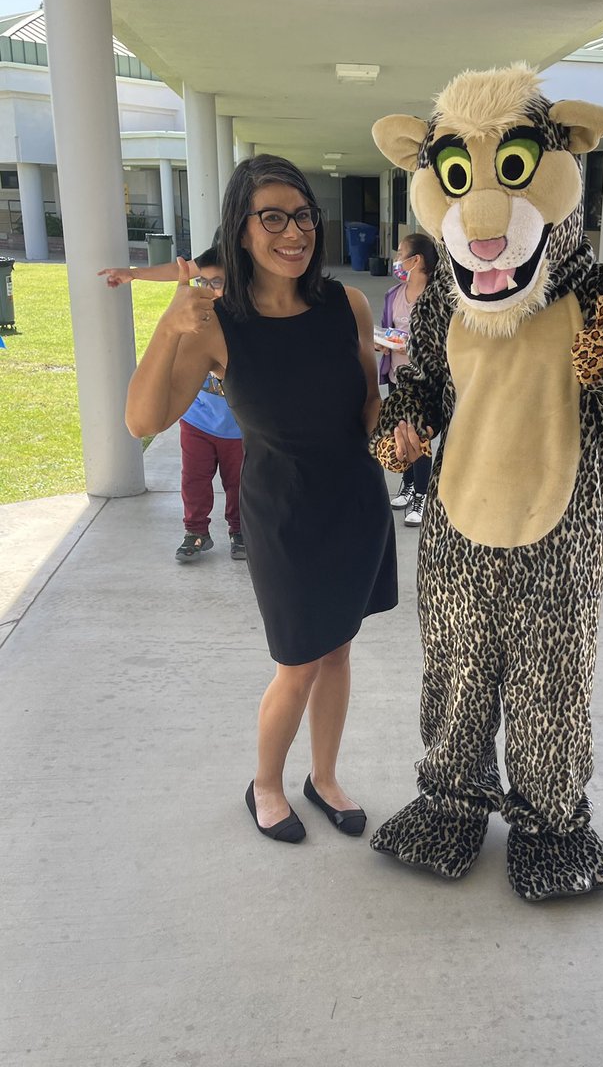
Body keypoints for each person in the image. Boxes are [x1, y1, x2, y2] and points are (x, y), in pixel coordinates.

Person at [125, 154, 397, 842]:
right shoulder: (218, 321)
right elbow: (143, 421)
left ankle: (324, 777)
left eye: (303, 215)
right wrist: (168, 325)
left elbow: (367, 406)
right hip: (282, 511)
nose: (293, 231)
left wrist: (407, 425)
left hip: (354, 503)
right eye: (272, 217)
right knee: (298, 659)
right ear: (241, 229)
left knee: (338, 650)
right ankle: (267, 785)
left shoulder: (348, 306)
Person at [101, 247, 246, 563]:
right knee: (193, 479)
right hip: (197, 422)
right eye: (204, 283)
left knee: (238, 484)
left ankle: (240, 531)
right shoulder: (195, 325)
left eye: (218, 283)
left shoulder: (245, 330)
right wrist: (136, 275)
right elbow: (178, 269)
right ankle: (196, 531)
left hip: (238, 429)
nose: (208, 291)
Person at [377, 232, 438, 527]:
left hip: (423, 382)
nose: (397, 260)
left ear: (417, 261)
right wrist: (382, 343)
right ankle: (408, 484)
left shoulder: (436, 299)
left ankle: (422, 497)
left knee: (419, 438)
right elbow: (386, 330)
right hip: (395, 376)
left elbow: (441, 343)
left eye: (402, 253)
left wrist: (410, 346)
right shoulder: (393, 295)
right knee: (400, 433)